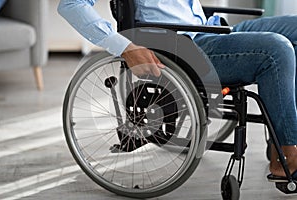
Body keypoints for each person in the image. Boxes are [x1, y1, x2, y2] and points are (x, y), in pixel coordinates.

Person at [57, 0, 297, 181]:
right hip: (187, 48)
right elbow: (70, 4)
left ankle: (283, 136)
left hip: (210, 30)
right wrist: (125, 47)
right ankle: (289, 153)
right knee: (277, 50)